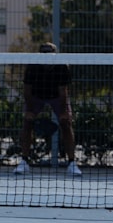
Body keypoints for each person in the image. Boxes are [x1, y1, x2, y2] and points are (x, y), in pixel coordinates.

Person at [15, 42, 81, 176]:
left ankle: (72, 163)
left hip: (56, 97)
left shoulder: (62, 67)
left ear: (55, 55)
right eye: (44, 54)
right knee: (27, 122)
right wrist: (29, 111)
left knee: (66, 123)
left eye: (49, 54)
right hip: (36, 96)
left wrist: (63, 113)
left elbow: (63, 92)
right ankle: (24, 161)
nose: (46, 57)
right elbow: (27, 91)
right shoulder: (32, 67)